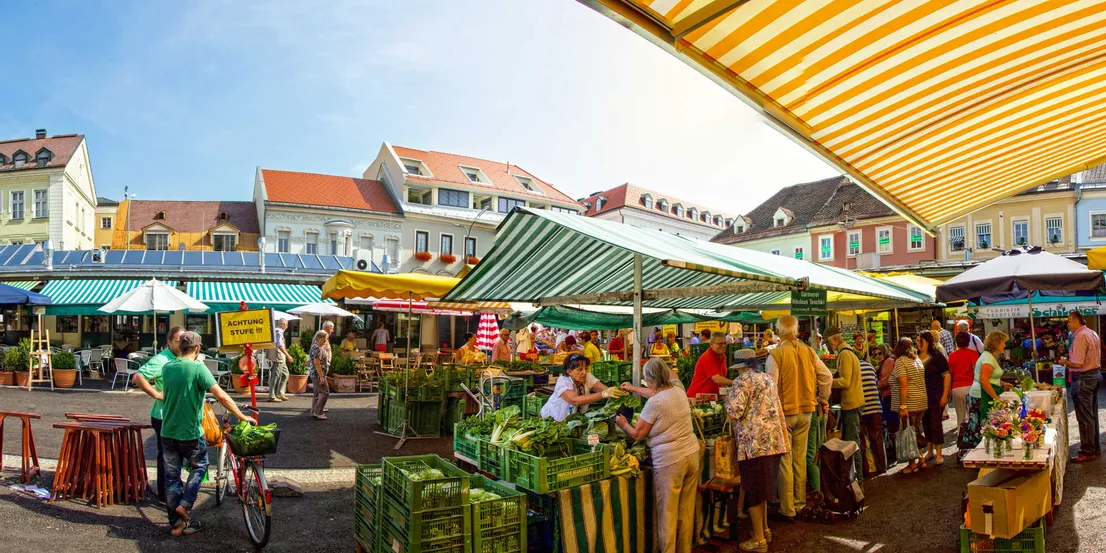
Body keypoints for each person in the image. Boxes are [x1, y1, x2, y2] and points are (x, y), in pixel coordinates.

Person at [160, 331, 254, 536]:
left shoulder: (167, 368)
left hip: (167, 431)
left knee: (171, 478)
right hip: (190, 432)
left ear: (180, 347)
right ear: (198, 349)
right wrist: (241, 416)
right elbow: (221, 396)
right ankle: (185, 504)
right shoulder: (198, 368)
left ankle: (177, 524)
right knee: (200, 466)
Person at [615, 359, 700, 553]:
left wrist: (622, 423)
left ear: (651, 381)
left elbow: (638, 434)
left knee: (668, 513)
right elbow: (661, 386)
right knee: (686, 510)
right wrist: (634, 388)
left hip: (671, 460)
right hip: (691, 453)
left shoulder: (655, 403)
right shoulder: (678, 390)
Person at [764, 315, 832, 519]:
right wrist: (823, 398)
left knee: (785, 460)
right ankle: (800, 502)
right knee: (800, 458)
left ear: (778, 331)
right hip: (807, 411)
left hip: (785, 412)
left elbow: (770, 386)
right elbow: (827, 376)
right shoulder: (809, 351)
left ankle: (787, 508)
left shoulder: (776, 354)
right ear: (795, 330)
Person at [725, 368, 789, 552]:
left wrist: (726, 401)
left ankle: (758, 540)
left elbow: (734, 412)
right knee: (763, 490)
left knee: (753, 491)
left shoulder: (742, 380)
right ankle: (765, 530)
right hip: (773, 441)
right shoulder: (768, 378)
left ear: (740, 366)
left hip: (754, 444)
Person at [132, 325, 184, 506]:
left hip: (177, 415)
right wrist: (156, 394)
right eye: (178, 341)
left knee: (176, 454)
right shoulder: (161, 359)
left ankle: (172, 487)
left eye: (184, 341)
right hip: (163, 415)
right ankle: (164, 494)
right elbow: (138, 377)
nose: (182, 344)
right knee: (167, 456)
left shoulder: (182, 357)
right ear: (169, 342)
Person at [957, 331, 1009, 459]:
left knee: (979, 425)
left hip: (980, 393)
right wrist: (997, 398)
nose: (1004, 345)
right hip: (982, 395)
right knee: (982, 424)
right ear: (997, 343)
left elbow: (989, 378)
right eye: (1003, 342)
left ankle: (979, 453)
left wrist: (1002, 384)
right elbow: (984, 381)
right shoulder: (988, 358)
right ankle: (979, 455)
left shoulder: (988, 356)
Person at [1061, 311, 1102, 462]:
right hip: (1095, 375)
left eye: (1069, 321)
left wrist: (1064, 362)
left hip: (1083, 378)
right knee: (1091, 415)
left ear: (1076, 321)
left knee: (1084, 416)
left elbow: (1077, 363)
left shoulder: (1079, 336)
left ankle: (1087, 451)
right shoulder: (1092, 333)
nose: (1068, 324)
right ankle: (1094, 447)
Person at [826, 326, 865, 482]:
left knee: (852, 444)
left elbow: (845, 381)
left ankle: (858, 481)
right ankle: (856, 479)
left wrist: (828, 381)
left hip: (852, 404)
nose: (830, 345)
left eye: (829, 342)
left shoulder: (845, 354)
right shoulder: (848, 352)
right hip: (853, 403)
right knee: (852, 441)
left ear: (835, 339)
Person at [541, 353, 619, 420]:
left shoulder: (588, 377)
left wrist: (617, 391)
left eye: (586, 369)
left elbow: (606, 389)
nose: (584, 372)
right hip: (551, 421)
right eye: (580, 369)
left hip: (571, 422)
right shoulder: (563, 382)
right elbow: (575, 400)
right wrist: (603, 394)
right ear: (569, 372)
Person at [891, 337, 928, 473]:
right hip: (921, 401)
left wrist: (903, 406)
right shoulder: (917, 360)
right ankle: (921, 459)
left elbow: (903, 384)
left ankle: (912, 464)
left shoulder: (901, 361)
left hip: (910, 402)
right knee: (915, 430)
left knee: (908, 433)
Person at [917, 331, 951, 466]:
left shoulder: (937, 357)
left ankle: (939, 454)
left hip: (936, 395)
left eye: (920, 341)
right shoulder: (916, 357)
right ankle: (930, 451)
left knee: (936, 424)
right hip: (921, 397)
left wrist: (945, 395)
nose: (918, 344)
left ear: (927, 341)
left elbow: (947, 376)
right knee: (925, 423)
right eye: (917, 341)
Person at [858, 344, 886, 475]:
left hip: (862, 408)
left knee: (862, 439)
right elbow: (875, 383)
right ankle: (881, 466)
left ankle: (866, 468)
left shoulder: (853, 368)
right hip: (875, 406)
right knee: (877, 437)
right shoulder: (870, 366)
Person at [947, 332, 979, 429]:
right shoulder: (973, 354)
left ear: (956, 342)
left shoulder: (951, 355)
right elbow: (975, 370)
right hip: (970, 386)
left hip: (957, 387)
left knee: (960, 415)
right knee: (972, 415)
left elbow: (950, 373)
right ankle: (972, 434)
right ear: (968, 342)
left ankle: (960, 435)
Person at [686, 332, 733, 398]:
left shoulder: (722, 356)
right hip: (697, 398)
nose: (723, 346)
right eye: (720, 343)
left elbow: (721, 378)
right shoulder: (708, 357)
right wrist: (736, 382)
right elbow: (717, 379)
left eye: (725, 343)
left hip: (711, 398)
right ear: (711, 344)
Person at [872, 343, 898, 458]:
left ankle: (896, 449)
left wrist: (875, 386)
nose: (878, 356)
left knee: (893, 423)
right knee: (891, 424)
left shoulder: (888, 361)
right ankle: (894, 448)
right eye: (876, 354)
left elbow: (886, 380)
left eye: (879, 353)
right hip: (887, 396)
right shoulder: (884, 362)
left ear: (884, 352)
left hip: (890, 396)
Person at [308, 330, 332, 420]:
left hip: (315, 374)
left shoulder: (314, 346)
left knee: (317, 393)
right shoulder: (317, 348)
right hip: (318, 375)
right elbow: (317, 363)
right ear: (320, 338)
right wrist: (321, 376)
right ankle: (318, 412)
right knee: (325, 392)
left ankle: (314, 411)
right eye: (325, 339)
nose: (325, 341)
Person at [268, 319, 292, 402]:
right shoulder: (278, 331)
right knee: (275, 376)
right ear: (282, 324)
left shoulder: (278, 331)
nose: (287, 326)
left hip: (281, 358)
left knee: (285, 374)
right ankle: (272, 395)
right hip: (278, 357)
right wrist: (288, 355)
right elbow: (279, 345)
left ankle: (280, 393)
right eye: (286, 324)